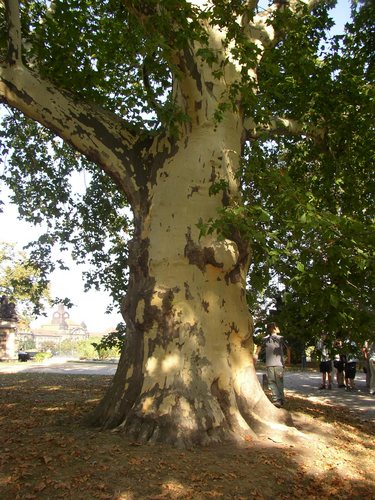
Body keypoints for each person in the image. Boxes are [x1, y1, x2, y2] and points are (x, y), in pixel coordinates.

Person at [256, 323, 288, 408]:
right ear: (274, 329)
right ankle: (278, 399)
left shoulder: (279, 338)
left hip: (274, 364)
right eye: (277, 327)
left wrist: (256, 354)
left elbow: (259, 347)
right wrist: (288, 360)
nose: (278, 328)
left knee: (273, 382)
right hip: (276, 364)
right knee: (276, 382)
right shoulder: (268, 339)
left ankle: (278, 399)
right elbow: (288, 349)